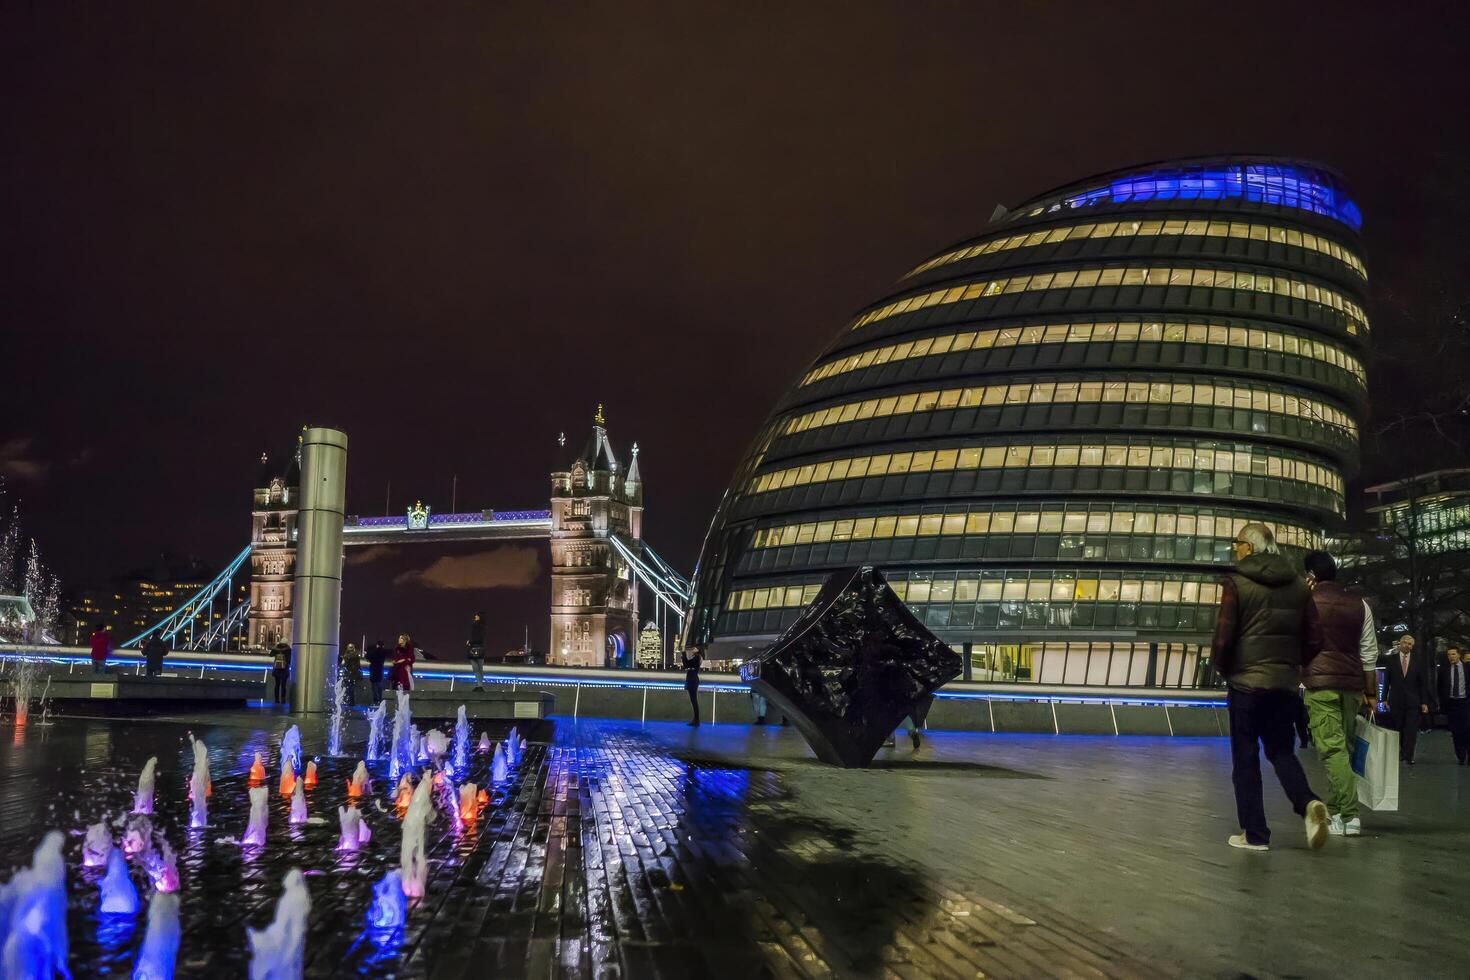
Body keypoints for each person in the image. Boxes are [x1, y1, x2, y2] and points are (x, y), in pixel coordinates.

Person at [1212, 523, 1328, 852]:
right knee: (1281, 752)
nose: (1235, 550)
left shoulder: (1236, 583)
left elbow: (1223, 638)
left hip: (1246, 685)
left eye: (1237, 544)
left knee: (1246, 759)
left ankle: (1255, 834)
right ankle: (1307, 803)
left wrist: (1226, 668)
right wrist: (1292, 665)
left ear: (1248, 547)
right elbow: (1316, 639)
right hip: (1285, 685)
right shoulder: (1299, 587)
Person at [1301, 551, 1379, 836]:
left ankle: (1350, 815)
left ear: (1310, 576)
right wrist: (1371, 693)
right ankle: (1335, 812)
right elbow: (1369, 652)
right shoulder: (1360, 605)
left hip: (1320, 685)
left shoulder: (1305, 602)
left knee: (1332, 750)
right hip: (1352, 686)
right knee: (1343, 750)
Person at [1383, 634, 1429, 765]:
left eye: (1410, 644)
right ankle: (1400, 753)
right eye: (1405, 643)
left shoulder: (1418, 661)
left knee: (1411, 730)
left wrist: (1424, 702)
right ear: (1400, 644)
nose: (1407, 646)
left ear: (1412, 646)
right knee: (1397, 728)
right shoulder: (1391, 660)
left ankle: (1409, 756)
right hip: (1396, 700)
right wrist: (1383, 699)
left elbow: (1422, 683)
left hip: (1413, 701)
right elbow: (1386, 680)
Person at [1438, 645, 1470, 765]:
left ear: (1459, 655)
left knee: (1467, 729)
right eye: (1449, 655)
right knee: (1456, 732)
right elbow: (1440, 687)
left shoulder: (1467, 668)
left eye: (1453, 654)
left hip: (1465, 702)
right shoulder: (1444, 669)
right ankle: (1460, 756)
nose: (1451, 657)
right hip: (1452, 703)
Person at [682, 646, 702, 727]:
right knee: (693, 700)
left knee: (694, 700)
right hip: (692, 679)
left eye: (695, 648)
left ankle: (696, 720)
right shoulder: (696, 657)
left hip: (692, 680)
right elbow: (686, 664)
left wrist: (684, 655)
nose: (693, 649)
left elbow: (687, 665)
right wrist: (683, 655)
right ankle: (696, 719)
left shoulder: (697, 657)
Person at [467, 612, 487, 691]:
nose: (475, 616)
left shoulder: (475, 626)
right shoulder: (483, 627)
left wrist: (470, 642)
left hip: (474, 649)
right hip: (481, 649)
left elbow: (476, 638)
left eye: (476, 615)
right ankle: (480, 685)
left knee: (476, 668)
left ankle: (479, 686)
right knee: (480, 668)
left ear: (479, 617)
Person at [270, 640, 292, 704]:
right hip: (285, 669)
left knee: (277, 684)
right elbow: (289, 660)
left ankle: (276, 699)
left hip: (277, 669)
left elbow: (271, 655)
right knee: (283, 685)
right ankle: (283, 699)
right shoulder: (288, 649)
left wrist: (275, 648)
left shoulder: (276, 648)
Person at [366, 639, 388, 704]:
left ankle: (375, 701)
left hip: (373, 670)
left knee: (374, 687)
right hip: (380, 670)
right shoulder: (383, 652)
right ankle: (380, 700)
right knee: (379, 686)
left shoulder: (373, 652)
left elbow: (368, 657)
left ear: (377, 645)